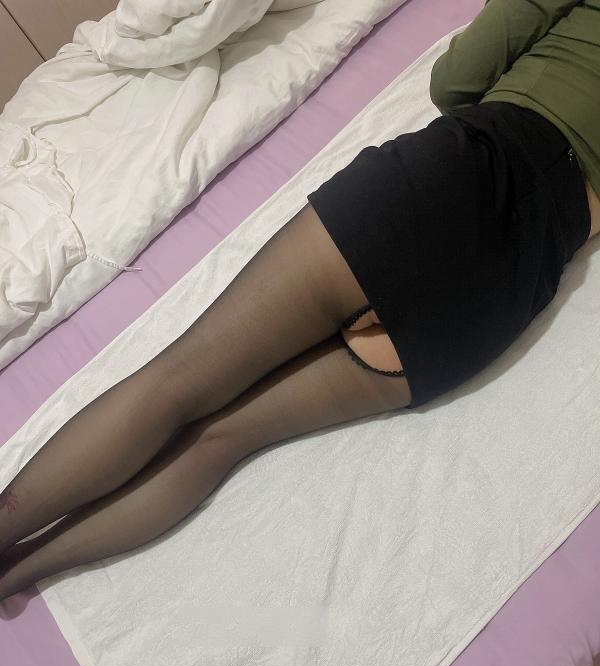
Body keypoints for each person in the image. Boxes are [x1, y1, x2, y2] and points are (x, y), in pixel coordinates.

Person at [0, 0, 598, 601]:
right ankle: (17, 577)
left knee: (175, 382)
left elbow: (455, 81)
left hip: (460, 177)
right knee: (221, 441)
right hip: (508, 283)